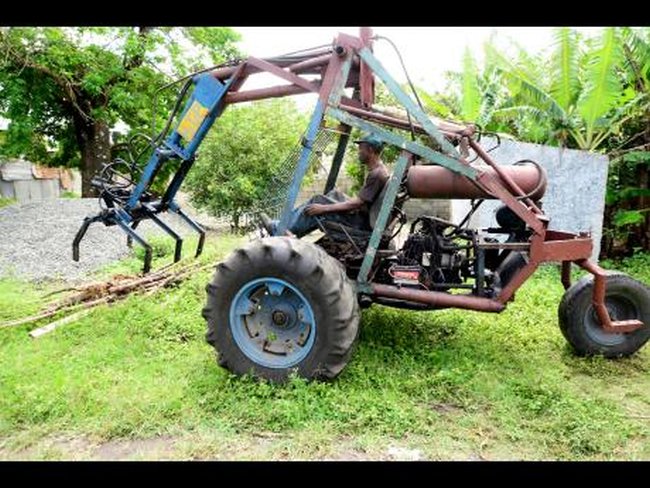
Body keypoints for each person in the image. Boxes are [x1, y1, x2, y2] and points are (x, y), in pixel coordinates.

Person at [261, 134, 390, 237]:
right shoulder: (379, 170)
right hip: (361, 216)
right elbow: (361, 202)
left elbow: (356, 204)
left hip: (359, 222)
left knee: (317, 203)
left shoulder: (377, 174)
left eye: (361, 149)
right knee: (334, 194)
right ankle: (287, 228)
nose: (358, 152)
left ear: (370, 150)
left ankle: (280, 229)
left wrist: (324, 209)